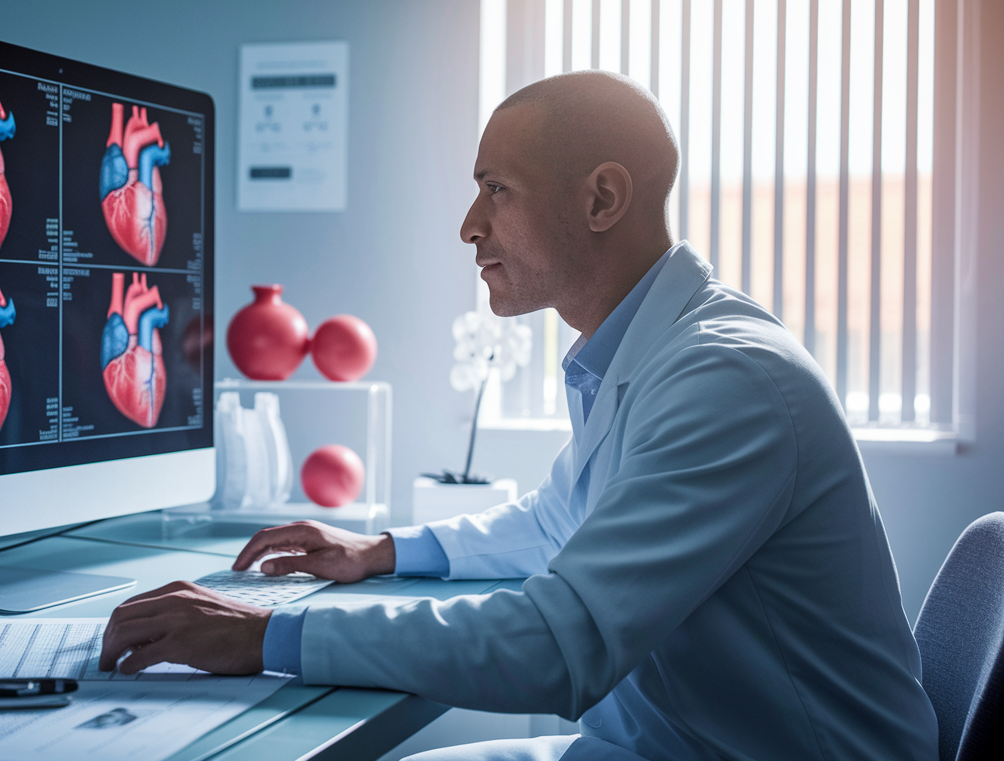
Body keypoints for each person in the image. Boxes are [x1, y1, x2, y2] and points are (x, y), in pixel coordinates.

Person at [100, 71, 939, 760]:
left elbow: (554, 645)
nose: (469, 227)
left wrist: (266, 641)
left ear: (602, 198)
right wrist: (384, 551)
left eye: (496, 190)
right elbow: (560, 521)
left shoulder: (727, 379)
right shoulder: (647, 351)